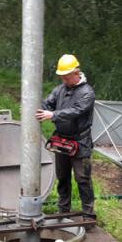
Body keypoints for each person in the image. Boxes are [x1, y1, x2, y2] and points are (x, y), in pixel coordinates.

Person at [36, 54, 96, 216]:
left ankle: (88, 214)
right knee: (62, 177)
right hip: (61, 139)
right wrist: (37, 107)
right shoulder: (60, 90)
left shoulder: (87, 93)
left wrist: (53, 115)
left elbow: (76, 111)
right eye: (62, 77)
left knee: (83, 179)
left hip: (80, 142)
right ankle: (63, 211)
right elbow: (48, 103)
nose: (64, 80)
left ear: (76, 73)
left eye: (67, 77)